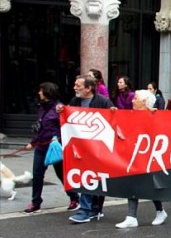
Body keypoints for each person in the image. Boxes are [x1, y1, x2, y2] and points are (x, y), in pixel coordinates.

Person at [23, 82, 79, 214]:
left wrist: (58, 139)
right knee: (37, 175)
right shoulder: (41, 107)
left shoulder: (59, 108)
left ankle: (74, 198)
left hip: (54, 148)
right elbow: (42, 128)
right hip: (41, 147)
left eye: (41, 91)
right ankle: (36, 203)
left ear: (47, 92)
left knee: (61, 174)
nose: (39, 93)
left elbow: (65, 127)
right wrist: (33, 142)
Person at [115, 90, 168, 228]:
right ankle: (131, 216)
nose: (132, 100)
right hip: (134, 154)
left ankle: (160, 211)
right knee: (132, 182)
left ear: (144, 102)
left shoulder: (154, 116)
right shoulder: (130, 115)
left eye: (136, 98)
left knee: (149, 185)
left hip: (149, 155)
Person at [65, 75, 114, 223]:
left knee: (92, 178)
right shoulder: (75, 101)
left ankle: (88, 210)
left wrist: (113, 111)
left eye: (78, 85)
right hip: (81, 148)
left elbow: (113, 120)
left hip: (98, 148)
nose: (74, 87)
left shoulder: (103, 101)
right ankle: (89, 209)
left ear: (88, 88)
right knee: (86, 177)